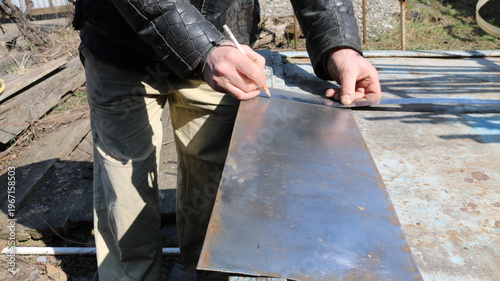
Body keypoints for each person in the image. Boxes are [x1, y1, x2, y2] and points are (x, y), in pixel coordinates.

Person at [72, 0, 381, 280]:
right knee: (124, 188)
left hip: (224, 46)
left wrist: (338, 44)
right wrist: (202, 48)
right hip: (120, 47)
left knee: (217, 186)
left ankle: (202, 270)